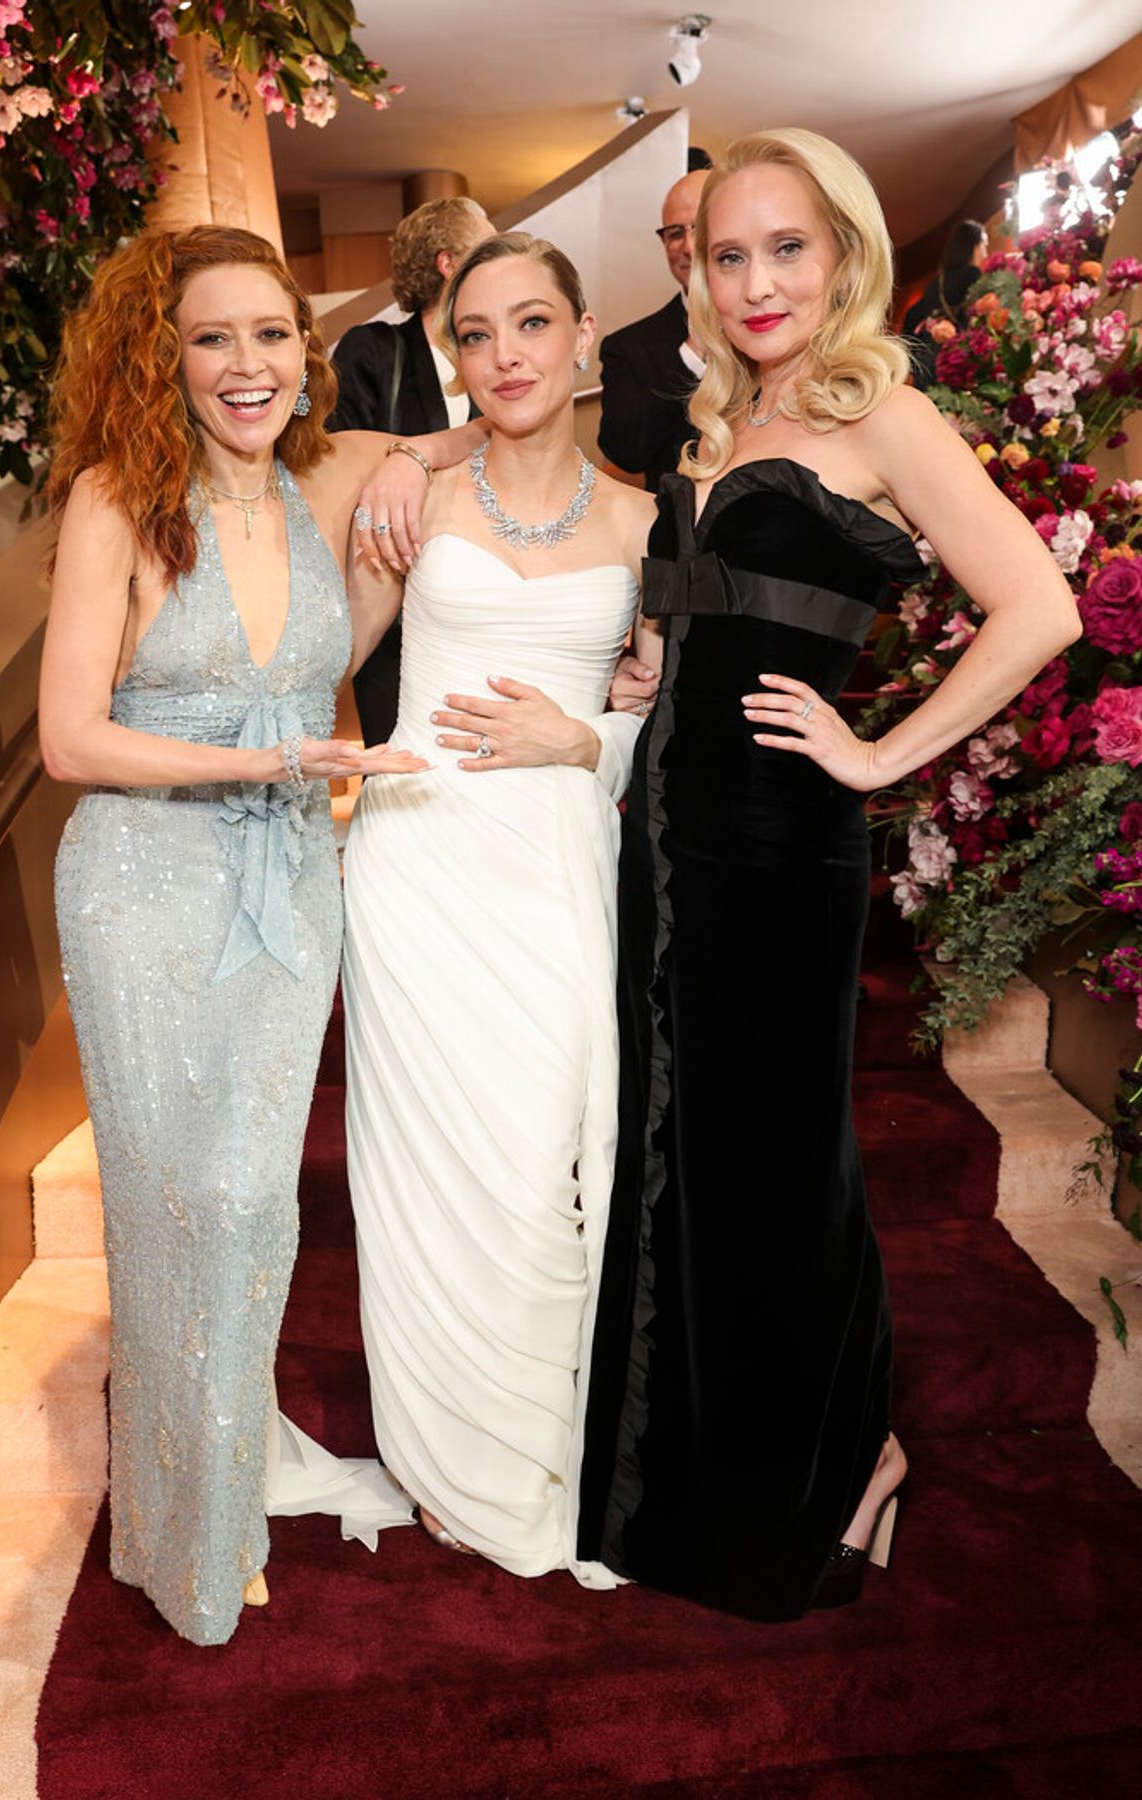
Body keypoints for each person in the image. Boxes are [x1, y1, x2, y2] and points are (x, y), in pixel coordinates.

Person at [578, 129, 1079, 1620]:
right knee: (686, 1160)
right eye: (728, 254)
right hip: (665, 843)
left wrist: (877, 756)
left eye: (787, 249)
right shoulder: (718, 421)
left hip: (778, 852)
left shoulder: (885, 415)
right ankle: (699, 1484)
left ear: (845, 252)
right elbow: (714, 621)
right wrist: (646, 667)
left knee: (779, 1170)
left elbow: (1040, 606)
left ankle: (852, 1457)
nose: (757, 282)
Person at [39, 224, 477, 1646]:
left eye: (272, 333)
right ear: (161, 357)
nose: (248, 364)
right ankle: (192, 1535)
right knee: (177, 1209)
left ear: (308, 348)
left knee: (252, 1205)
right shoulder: (118, 498)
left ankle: (205, 1493)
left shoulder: (331, 476)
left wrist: (413, 464)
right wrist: (267, 762)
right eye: (212, 337)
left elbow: (494, 431)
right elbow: (67, 739)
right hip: (142, 887)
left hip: (289, 885)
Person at [340, 231, 657, 1577]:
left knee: (540, 1173)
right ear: (453, 355)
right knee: (425, 1177)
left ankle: (546, 1447)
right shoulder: (411, 494)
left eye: (534, 323)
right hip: (416, 867)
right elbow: (328, 658)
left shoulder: (647, 521)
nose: (507, 355)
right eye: (476, 333)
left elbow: (668, 725)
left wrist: (588, 738)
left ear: (585, 336)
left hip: (556, 873)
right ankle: (443, 1456)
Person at [328, 196, 496, 745]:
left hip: (485, 605)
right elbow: (337, 464)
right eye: (487, 244)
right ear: (450, 263)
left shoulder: (500, 358)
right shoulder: (374, 351)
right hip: (393, 612)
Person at [597, 167, 709, 491]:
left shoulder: (779, 323)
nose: (689, 246)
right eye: (675, 233)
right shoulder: (628, 347)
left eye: (701, 227)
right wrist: (690, 356)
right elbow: (626, 453)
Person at [902, 218, 988, 385]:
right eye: (984, 244)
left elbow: (912, 315)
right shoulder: (972, 274)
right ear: (974, 246)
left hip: (927, 361)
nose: (986, 253)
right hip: (953, 360)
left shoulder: (937, 282)